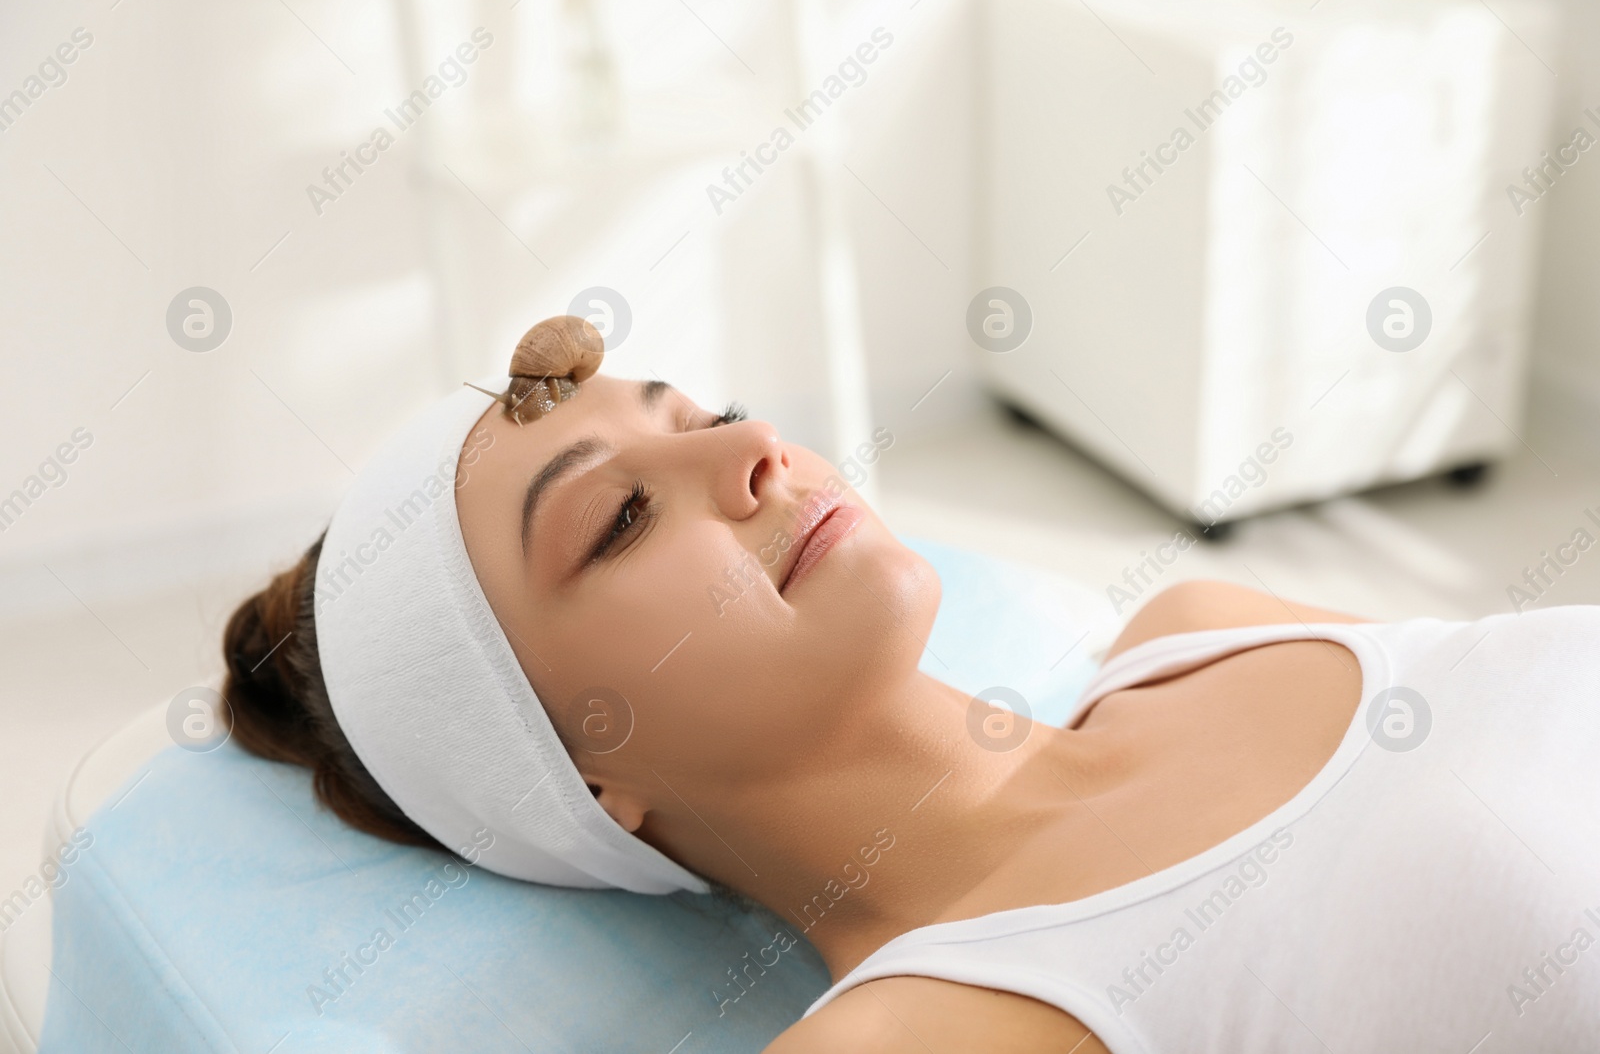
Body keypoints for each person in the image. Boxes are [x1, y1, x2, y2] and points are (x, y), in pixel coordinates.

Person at [223, 317, 1600, 1052]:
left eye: (703, 415)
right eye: (623, 519)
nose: (755, 449)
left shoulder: (1204, 627)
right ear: (587, 779)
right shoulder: (936, 1030)